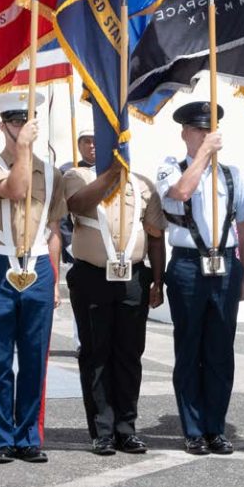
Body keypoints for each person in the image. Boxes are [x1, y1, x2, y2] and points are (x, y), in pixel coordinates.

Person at [157, 101, 244, 457]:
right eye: (198, 129)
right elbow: (181, 193)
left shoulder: (231, 175)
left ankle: (215, 426)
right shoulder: (171, 168)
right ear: (185, 133)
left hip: (225, 264)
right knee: (189, 348)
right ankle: (193, 429)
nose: (204, 135)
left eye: (208, 129)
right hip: (188, 265)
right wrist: (203, 155)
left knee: (220, 350)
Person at [0, 91, 65, 463]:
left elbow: (55, 230)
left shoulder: (52, 172)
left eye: (26, 121)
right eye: (15, 121)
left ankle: (28, 435)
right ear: (3, 126)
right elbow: (15, 189)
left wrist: (55, 281)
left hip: (38, 266)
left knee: (34, 357)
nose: (22, 127)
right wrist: (23, 150)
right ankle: (1, 437)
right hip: (1, 265)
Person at [63, 135, 166, 456]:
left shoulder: (143, 184)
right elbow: (77, 204)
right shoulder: (77, 176)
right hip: (92, 275)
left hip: (132, 276)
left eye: (104, 141)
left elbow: (156, 236)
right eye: (89, 140)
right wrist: (110, 175)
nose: (97, 146)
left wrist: (158, 281)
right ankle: (102, 431)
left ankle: (126, 429)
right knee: (96, 354)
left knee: (128, 355)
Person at [59, 129, 96, 265]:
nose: (92, 145)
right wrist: (69, 244)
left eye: (95, 141)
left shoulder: (110, 172)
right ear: (79, 146)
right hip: (77, 242)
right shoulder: (67, 171)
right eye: (87, 141)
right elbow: (61, 213)